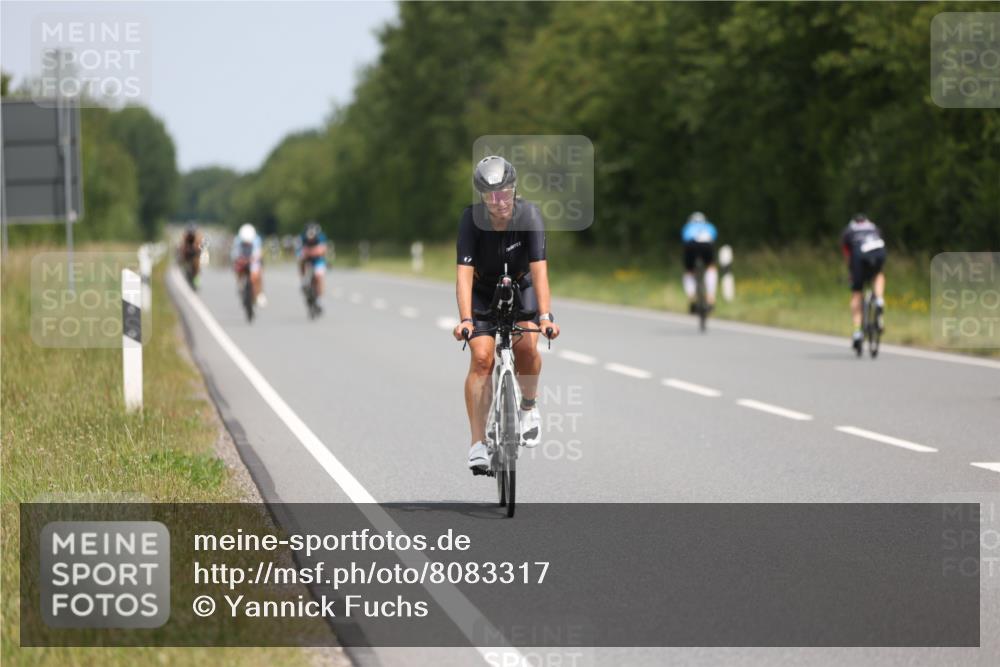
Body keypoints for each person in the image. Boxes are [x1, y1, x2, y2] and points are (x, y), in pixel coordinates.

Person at [452, 156, 560, 472]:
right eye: (491, 195)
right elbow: (463, 274)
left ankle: (529, 406)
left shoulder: (529, 215)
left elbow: (540, 272)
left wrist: (546, 317)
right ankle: (477, 445)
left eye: (505, 192)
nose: (499, 201)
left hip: (521, 284)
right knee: (483, 358)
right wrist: (466, 320)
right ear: (482, 197)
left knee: (527, 346)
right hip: (483, 290)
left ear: (514, 189)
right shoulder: (470, 220)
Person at [841, 213, 886, 352]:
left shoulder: (848, 231)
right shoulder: (874, 227)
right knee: (878, 274)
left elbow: (848, 255)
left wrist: (852, 274)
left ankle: (857, 332)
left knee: (856, 294)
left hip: (859, 255)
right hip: (878, 251)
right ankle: (879, 299)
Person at [680, 212, 718, 313]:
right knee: (711, 267)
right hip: (707, 245)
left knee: (688, 271)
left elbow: (684, 240)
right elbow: (713, 239)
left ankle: (692, 299)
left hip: (691, 245)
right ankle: (710, 299)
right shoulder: (709, 226)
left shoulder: (687, 227)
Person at [230, 223, 266, 307]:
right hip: (241, 260)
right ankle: (240, 285)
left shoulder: (257, 240)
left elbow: (258, 253)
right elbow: (235, 253)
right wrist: (239, 260)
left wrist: (254, 259)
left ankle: (259, 294)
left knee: (257, 275)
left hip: (253, 260)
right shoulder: (237, 240)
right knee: (237, 270)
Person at [297, 222, 328, 308]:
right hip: (307, 259)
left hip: (318, 260)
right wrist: (303, 254)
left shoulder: (321, 237)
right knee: (301, 262)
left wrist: (313, 252)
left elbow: (323, 249)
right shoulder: (302, 238)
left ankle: (319, 299)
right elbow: (299, 251)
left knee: (319, 277)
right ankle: (303, 280)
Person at [177, 223, 203, 287]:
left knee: (197, 263)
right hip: (188, 253)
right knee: (182, 259)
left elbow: (200, 245)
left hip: (195, 253)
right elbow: (182, 246)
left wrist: (198, 249)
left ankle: (196, 278)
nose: (191, 234)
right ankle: (186, 270)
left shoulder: (198, 236)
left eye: (192, 233)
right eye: (190, 232)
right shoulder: (185, 236)